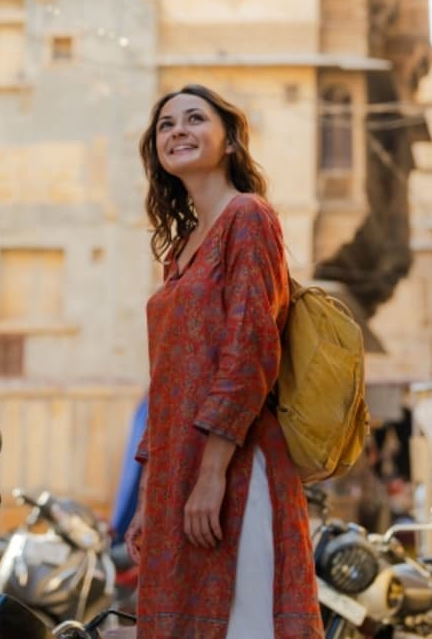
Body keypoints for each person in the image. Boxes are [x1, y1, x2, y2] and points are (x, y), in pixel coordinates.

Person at [126, 84, 322, 639]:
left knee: (244, 623)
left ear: (230, 140)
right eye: (166, 124)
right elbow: (164, 382)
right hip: (176, 473)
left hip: (236, 462)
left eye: (194, 119)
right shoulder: (179, 251)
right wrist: (150, 494)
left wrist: (212, 473)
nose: (178, 131)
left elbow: (250, 347)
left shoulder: (249, 218)